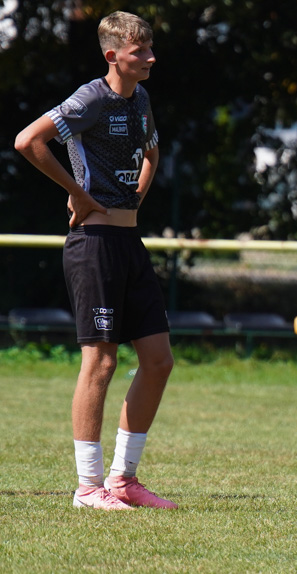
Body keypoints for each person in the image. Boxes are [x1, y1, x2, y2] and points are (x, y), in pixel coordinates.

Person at [14, 11, 176, 511]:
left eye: (150, 49)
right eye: (139, 52)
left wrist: (137, 197)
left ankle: (124, 481)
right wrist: (78, 193)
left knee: (158, 360)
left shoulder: (140, 97)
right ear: (113, 56)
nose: (150, 58)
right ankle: (89, 487)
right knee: (101, 361)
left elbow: (152, 150)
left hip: (130, 245)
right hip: (94, 246)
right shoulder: (91, 98)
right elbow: (28, 141)